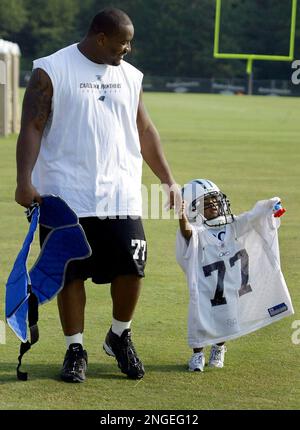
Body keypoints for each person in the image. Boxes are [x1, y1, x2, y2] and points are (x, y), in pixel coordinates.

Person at [15, 7, 180, 383]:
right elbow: (32, 127)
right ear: (101, 38)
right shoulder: (51, 70)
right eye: (124, 42)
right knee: (70, 274)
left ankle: (120, 336)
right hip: (64, 194)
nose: (129, 50)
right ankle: (75, 348)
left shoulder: (130, 76)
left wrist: (168, 180)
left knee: (132, 267)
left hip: (120, 193)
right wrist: (24, 181)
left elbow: (145, 129)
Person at [176, 179, 292, 372]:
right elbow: (187, 233)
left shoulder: (233, 225)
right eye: (207, 202)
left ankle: (219, 348)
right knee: (199, 318)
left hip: (229, 285)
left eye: (215, 199)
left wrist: (269, 207)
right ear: (193, 210)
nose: (213, 203)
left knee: (226, 318)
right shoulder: (198, 232)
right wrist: (181, 216)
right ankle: (197, 354)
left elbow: (253, 217)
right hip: (206, 286)